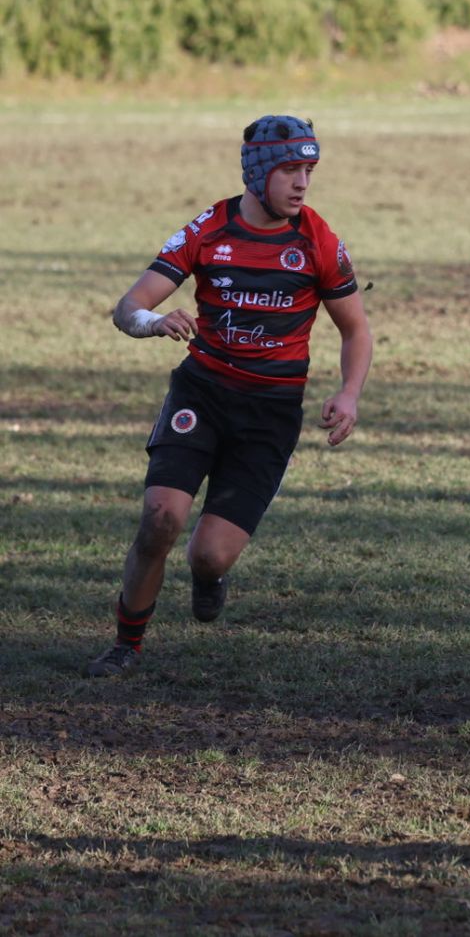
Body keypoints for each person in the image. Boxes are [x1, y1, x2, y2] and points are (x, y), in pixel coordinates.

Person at [84, 116, 374, 678]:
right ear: (259, 170)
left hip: (270, 412)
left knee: (208, 553)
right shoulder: (207, 230)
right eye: (291, 169)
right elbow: (128, 306)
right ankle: (126, 645)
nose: (302, 183)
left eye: (309, 171)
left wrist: (350, 393)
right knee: (161, 516)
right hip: (204, 393)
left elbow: (356, 330)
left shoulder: (318, 240)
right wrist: (152, 322)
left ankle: (209, 575)